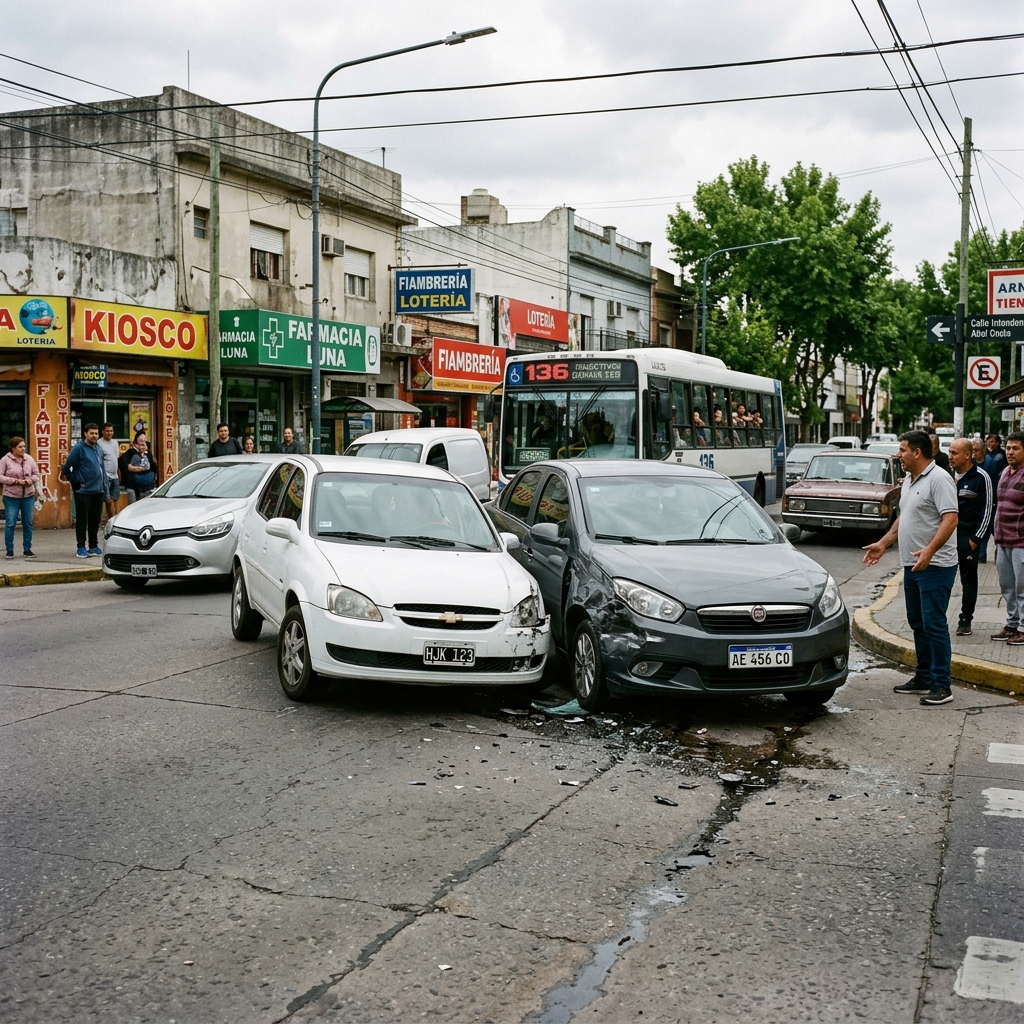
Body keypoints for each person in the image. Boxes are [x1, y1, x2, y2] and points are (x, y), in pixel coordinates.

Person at [863, 429, 959, 706]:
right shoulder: (910, 480)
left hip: (935, 565)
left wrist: (929, 551)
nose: (898, 454)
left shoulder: (939, 479)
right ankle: (924, 676)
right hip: (912, 564)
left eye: (902, 450)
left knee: (934, 624)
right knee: (918, 623)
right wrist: (883, 543)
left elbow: (951, 519)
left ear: (917, 452)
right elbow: (904, 519)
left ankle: (942, 685)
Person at [947, 438, 993, 636]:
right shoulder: (946, 476)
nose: (950, 457)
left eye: (954, 453)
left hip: (967, 539)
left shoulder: (981, 477)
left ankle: (965, 619)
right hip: (946, 539)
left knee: (968, 581)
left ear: (968, 455)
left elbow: (988, 509)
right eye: (949, 452)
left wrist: (976, 540)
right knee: (942, 579)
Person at [992, 431, 1024, 645]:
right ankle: (1012, 624)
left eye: (1015, 448)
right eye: (1009, 448)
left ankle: (1023, 628)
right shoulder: (1005, 472)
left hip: (1021, 542)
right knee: (1007, 586)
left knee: (1023, 588)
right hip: (1003, 540)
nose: (1010, 452)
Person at [61, 422, 108, 558]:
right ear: (85, 434)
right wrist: (75, 482)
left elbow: (102, 469)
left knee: (95, 520)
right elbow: (67, 468)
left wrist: (105, 487)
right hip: (83, 491)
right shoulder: (79, 448)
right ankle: (81, 547)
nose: (94, 436)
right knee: (82, 520)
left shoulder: (98, 448)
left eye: (96, 433)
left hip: (98, 491)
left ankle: (93, 546)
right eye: (91, 433)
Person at [0, 436, 40, 559]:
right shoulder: (5, 460)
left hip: (28, 496)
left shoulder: (29, 459)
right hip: (11, 496)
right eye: (20, 447)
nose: (23, 449)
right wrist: (16, 481)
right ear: (13, 448)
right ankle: (9, 550)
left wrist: (30, 480)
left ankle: (27, 549)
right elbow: (0, 476)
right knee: (10, 523)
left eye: (24, 446)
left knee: (28, 523)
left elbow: (36, 474)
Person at [974, 437, 996, 563]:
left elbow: (992, 483)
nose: (974, 453)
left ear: (983, 451)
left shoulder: (990, 463)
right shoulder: (972, 463)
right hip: (977, 503)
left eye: (976, 450)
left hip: (989, 503)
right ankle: (981, 556)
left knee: (989, 530)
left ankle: (982, 555)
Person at [97, 422, 121, 520]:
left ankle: (112, 519)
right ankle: (112, 520)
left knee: (114, 499)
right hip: (105, 475)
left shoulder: (115, 443)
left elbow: (116, 458)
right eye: (107, 431)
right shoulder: (99, 443)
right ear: (103, 432)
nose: (109, 433)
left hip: (114, 475)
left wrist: (119, 473)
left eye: (111, 431)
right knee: (108, 500)